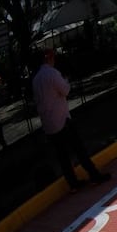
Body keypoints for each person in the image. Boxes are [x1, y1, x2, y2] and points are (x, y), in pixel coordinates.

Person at [32, 48, 110, 192]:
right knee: (79, 149)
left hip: (49, 124)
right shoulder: (52, 74)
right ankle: (93, 175)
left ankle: (73, 183)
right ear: (48, 58)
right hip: (62, 119)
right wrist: (66, 80)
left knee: (62, 155)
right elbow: (66, 90)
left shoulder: (36, 80)